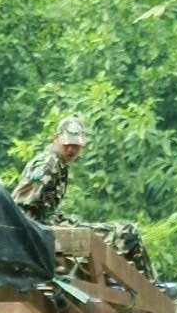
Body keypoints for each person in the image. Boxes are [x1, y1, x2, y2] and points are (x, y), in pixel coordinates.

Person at [11, 116, 157, 281]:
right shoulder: (48, 164)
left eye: (76, 146)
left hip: (49, 229)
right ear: (55, 139)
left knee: (121, 237)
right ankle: (152, 287)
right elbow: (19, 206)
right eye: (67, 145)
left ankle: (130, 282)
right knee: (128, 233)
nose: (71, 150)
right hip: (43, 233)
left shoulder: (58, 164)